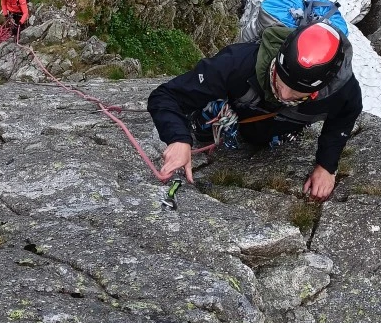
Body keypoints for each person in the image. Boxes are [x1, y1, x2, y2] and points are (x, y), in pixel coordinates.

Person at [147, 20, 362, 203]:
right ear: (277, 61)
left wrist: (326, 165)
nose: (284, 95)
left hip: (275, 127)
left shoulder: (341, 92)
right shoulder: (236, 63)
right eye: (280, 82)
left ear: (318, 90)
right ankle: (213, 117)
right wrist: (179, 139)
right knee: (207, 119)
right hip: (240, 108)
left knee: (261, 136)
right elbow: (166, 96)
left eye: (297, 93)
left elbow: (344, 117)